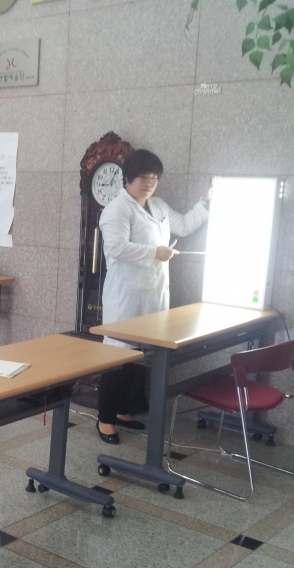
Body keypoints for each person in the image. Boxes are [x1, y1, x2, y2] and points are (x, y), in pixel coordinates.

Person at [97, 149, 210, 444]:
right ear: (128, 178)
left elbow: (183, 225)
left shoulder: (157, 206)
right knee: (118, 357)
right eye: (143, 178)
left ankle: (123, 410)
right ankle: (105, 418)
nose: (149, 183)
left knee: (141, 356)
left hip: (152, 296)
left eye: (154, 178)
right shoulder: (117, 209)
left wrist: (206, 202)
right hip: (126, 298)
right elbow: (116, 248)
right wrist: (155, 253)